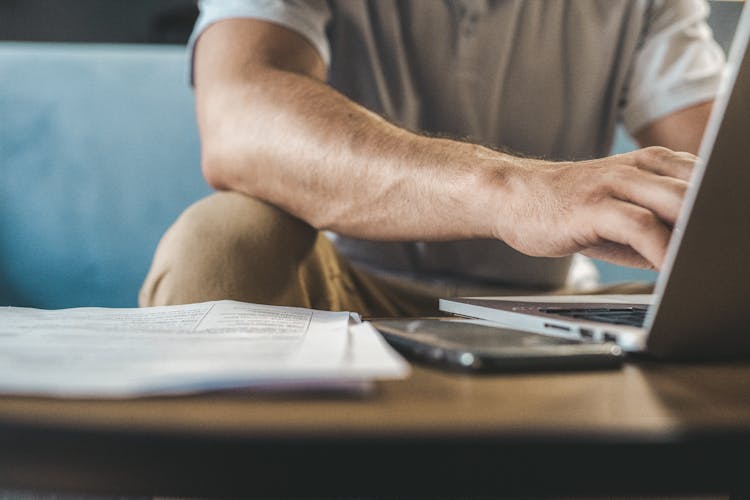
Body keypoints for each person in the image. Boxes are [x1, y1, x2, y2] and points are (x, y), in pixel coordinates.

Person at [140, 0, 725, 317]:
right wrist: (517, 193)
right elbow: (239, 115)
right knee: (222, 244)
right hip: (347, 298)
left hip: (557, 311)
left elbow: (724, 168)